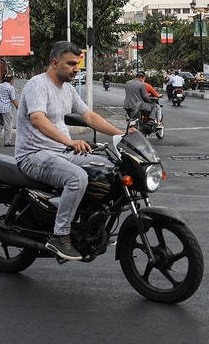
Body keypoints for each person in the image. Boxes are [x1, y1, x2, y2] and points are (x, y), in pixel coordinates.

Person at [15, 41, 126, 261]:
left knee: (110, 170)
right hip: (33, 155)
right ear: (55, 63)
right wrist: (69, 141)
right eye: (71, 63)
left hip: (60, 153)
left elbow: (90, 117)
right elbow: (37, 118)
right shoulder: (38, 85)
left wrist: (121, 134)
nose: (76, 68)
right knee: (77, 178)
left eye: (78, 63)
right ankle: (60, 235)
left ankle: (92, 228)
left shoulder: (67, 89)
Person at [0, 73, 18, 147]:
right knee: (8, 125)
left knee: (0, 123)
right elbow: (14, 100)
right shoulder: (10, 88)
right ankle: (7, 141)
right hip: (6, 109)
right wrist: (18, 108)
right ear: (11, 80)